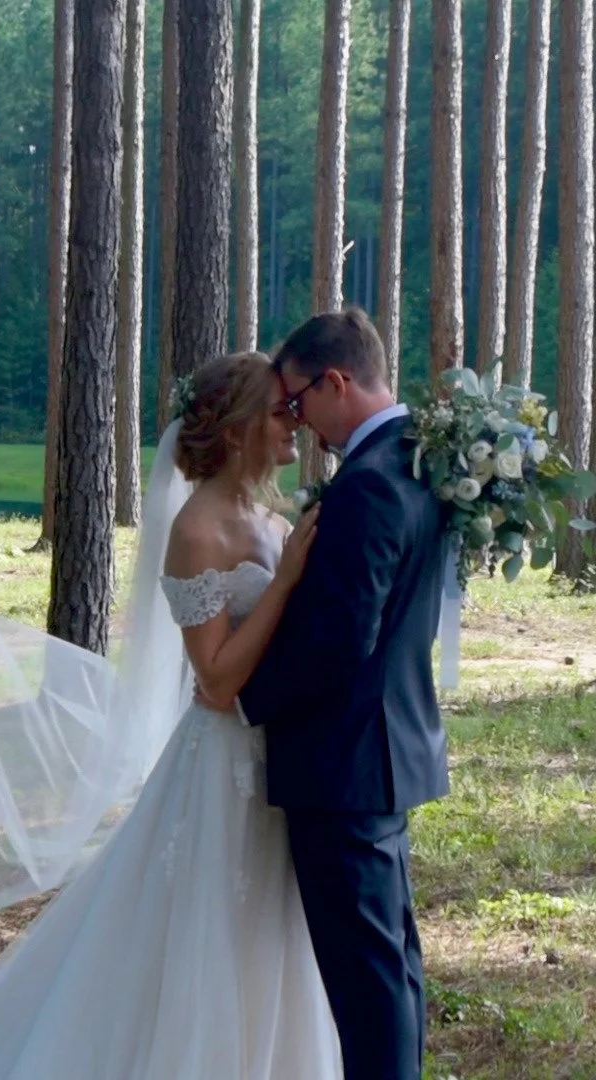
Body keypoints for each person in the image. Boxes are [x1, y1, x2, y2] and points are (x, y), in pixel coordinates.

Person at [0, 350, 343, 1078]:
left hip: (277, 755)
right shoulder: (199, 530)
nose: (293, 426)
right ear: (241, 427)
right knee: (208, 932)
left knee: (267, 932)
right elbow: (213, 681)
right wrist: (286, 584)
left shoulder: (271, 518)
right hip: (222, 766)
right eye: (279, 413)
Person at [238, 307, 450, 1080]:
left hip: (343, 764)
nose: (296, 421)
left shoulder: (365, 485)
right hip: (387, 752)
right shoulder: (418, 460)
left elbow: (338, 642)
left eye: (296, 401)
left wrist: (241, 695)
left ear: (334, 382)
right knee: (391, 966)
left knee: (366, 984)